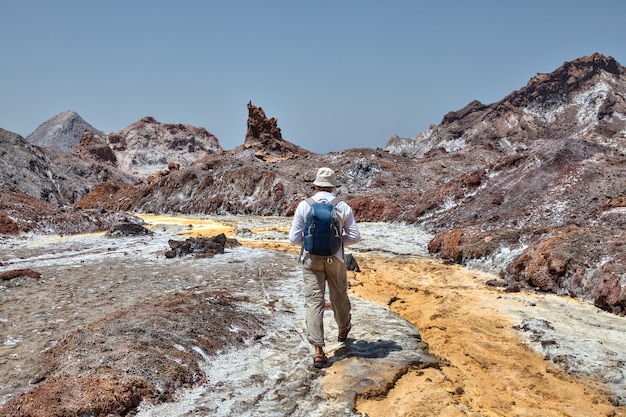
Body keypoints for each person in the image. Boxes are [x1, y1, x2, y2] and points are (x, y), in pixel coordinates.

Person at [289, 167, 361, 368]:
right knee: (338, 296)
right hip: (336, 258)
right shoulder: (342, 206)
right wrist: (336, 244)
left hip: (311, 259)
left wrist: (310, 244)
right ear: (333, 186)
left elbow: (293, 237)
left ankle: (318, 351)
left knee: (314, 302)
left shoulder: (305, 205)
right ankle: (343, 329)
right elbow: (355, 236)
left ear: (316, 184)